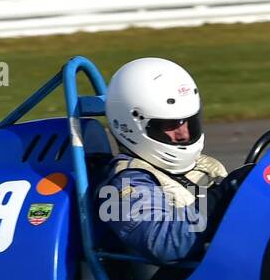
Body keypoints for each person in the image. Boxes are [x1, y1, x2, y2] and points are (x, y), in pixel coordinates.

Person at [96, 56, 238, 266]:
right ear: (132, 125)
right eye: (170, 125)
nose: (184, 133)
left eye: (188, 121)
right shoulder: (125, 185)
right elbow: (162, 244)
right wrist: (220, 197)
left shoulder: (206, 166)